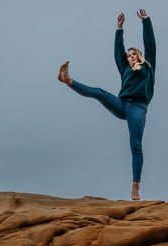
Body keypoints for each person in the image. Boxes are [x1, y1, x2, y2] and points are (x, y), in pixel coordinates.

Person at [58, 9, 156, 200]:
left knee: (136, 145)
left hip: (138, 108)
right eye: (128, 56)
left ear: (140, 55)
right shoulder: (124, 68)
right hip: (122, 104)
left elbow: (151, 44)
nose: (130, 57)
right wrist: (119, 29)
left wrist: (146, 22)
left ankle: (135, 186)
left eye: (133, 54)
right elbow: (117, 51)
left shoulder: (149, 67)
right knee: (98, 93)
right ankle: (68, 80)